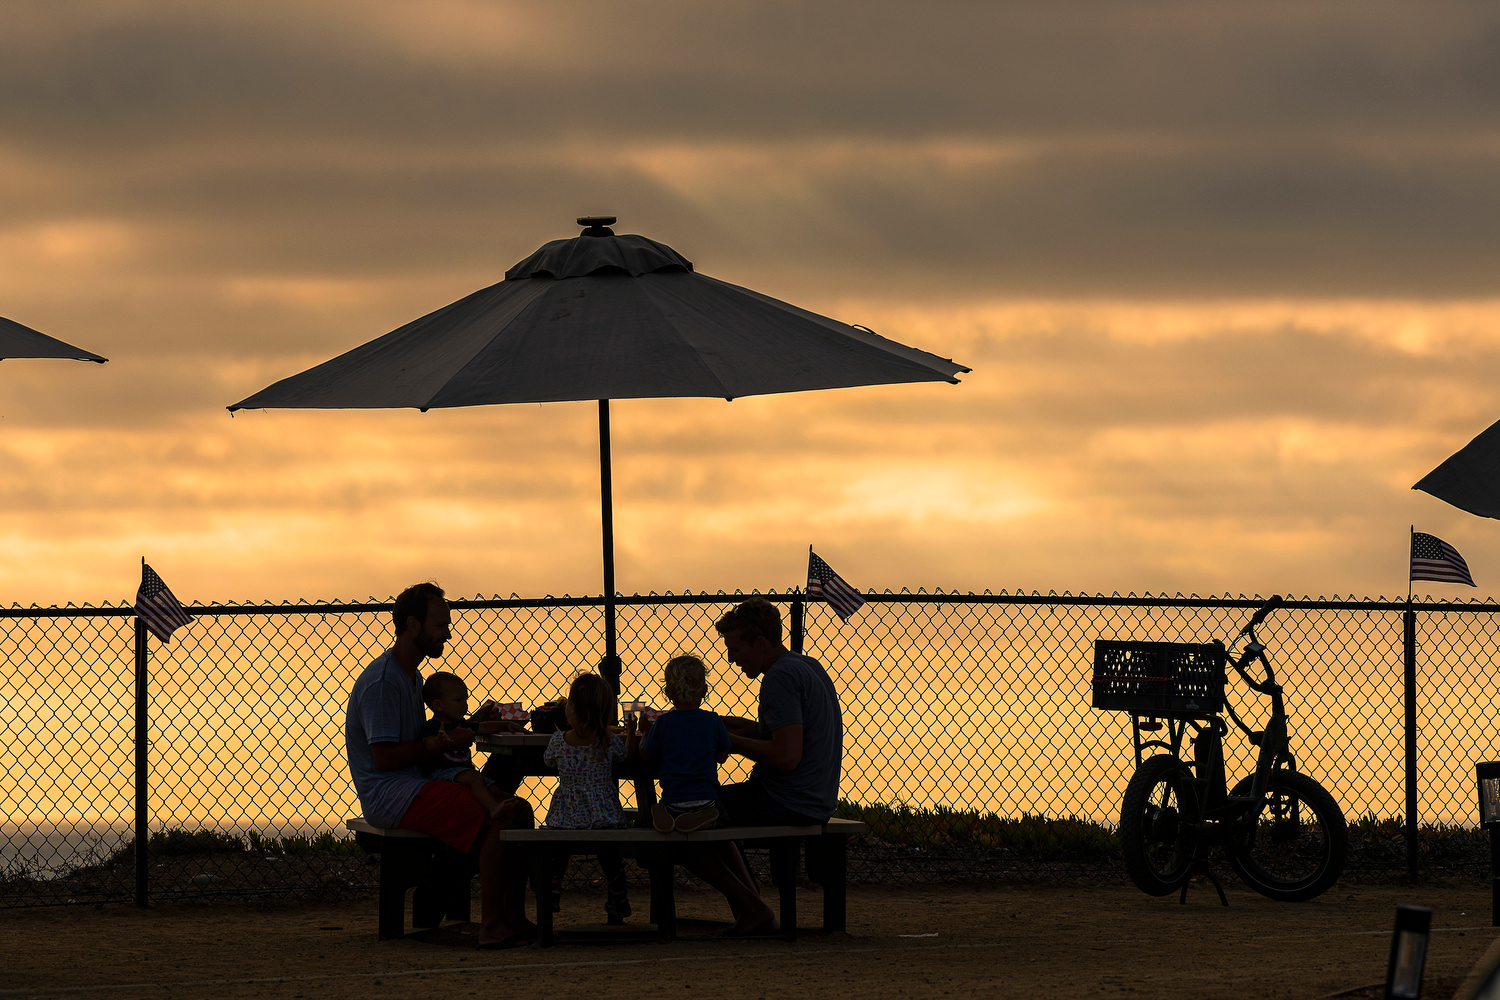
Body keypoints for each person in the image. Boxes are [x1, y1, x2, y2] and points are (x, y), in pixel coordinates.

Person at [345, 581, 536, 950]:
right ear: (413, 625)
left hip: (417, 783)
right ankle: (493, 925)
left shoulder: (412, 676)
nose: (447, 633)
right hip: (391, 794)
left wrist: (464, 723)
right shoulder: (384, 682)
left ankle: (513, 917)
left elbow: (422, 738)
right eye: (440, 625)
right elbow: (384, 758)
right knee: (502, 815)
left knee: (520, 811)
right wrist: (438, 743)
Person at [674, 596, 845, 936]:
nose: (731, 658)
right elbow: (773, 732)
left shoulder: (778, 679)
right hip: (815, 798)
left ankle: (754, 911)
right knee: (709, 812)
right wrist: (710, 723)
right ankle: (752, 910)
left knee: (682, 822)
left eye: (735, 649)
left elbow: (785, 755)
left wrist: (727, 741)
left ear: (761, 644)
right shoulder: (806, 666)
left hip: (787, 800)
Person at [541, 672, 635, 922]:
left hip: (568, 815)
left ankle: (552, 890)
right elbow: (626, 757)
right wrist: (634, 733)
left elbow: (548, 761)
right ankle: (619, 896)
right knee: (609, 853)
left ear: (570, 708)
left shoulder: (559, 740)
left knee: (559, 850)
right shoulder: (608, 740)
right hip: (602, 815)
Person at [637, 654, 731, 833]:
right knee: (724, 818)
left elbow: (645, 754)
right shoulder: (713, 721)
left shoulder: (663, 723)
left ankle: (664, 811)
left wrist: (645, 732)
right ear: (704, 690)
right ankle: (704, 819)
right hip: (707, 801)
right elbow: (722, 757)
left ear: (668, 692)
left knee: (668, 806)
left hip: (673, 799)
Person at [419, 670, 512, 820]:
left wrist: (507, 725)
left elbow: (484, 727)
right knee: (475, 777)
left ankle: (495, 813)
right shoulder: (434, 727)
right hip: (440, 773)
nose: (465, 705)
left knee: (494, 788)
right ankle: (493, 809)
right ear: (438, 705)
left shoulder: (462, 724)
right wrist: (440, 740)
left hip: (462, 772)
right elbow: (428, 744)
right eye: (458, 700)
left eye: (466, 699)